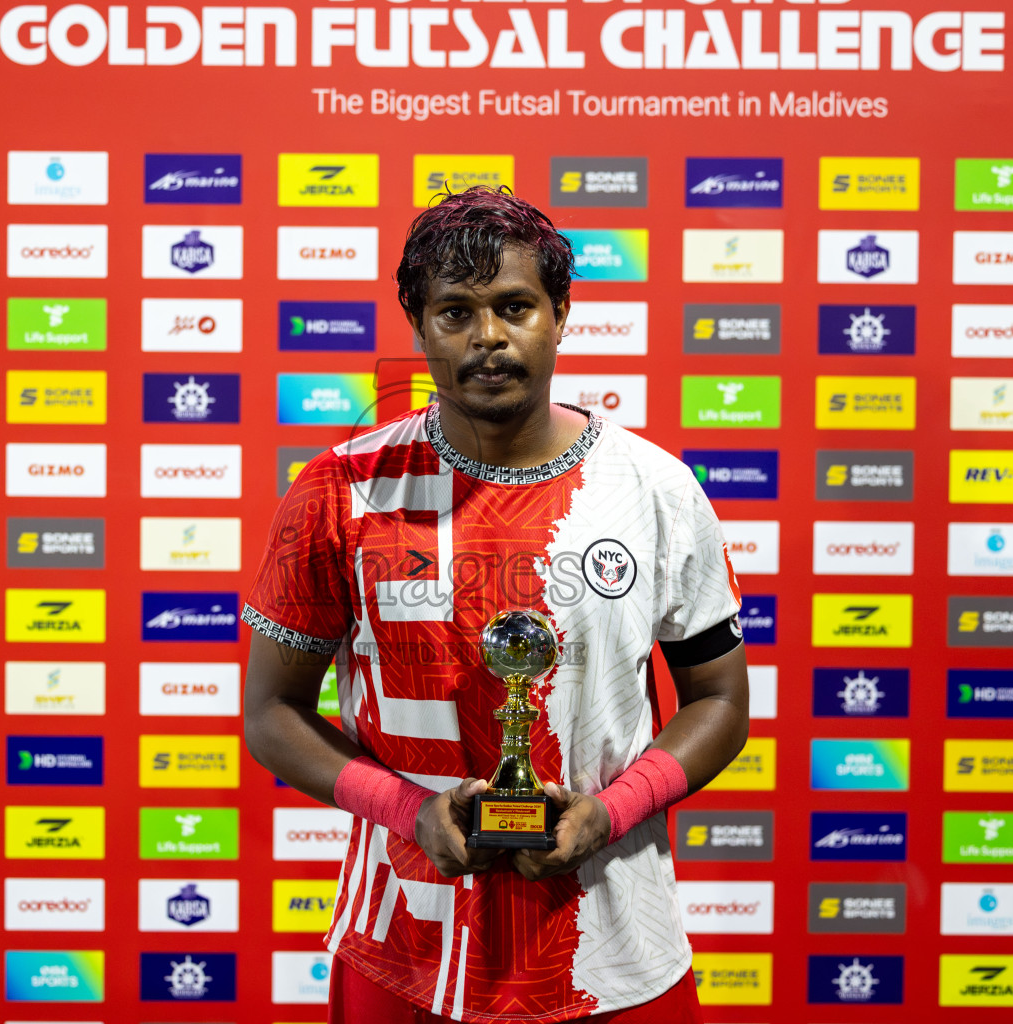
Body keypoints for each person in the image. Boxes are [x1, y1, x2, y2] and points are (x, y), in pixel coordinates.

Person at [243, 186, 749, 1024]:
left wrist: (612, 811)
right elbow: (271, 712)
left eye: (515, 306)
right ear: (419, 325)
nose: (487, 337)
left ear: (560, 314)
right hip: (407, 953)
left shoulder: (653, 487)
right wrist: (409, 812)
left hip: (616, 950)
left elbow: (722, 701)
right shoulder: (340, 491)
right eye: (455, 312)